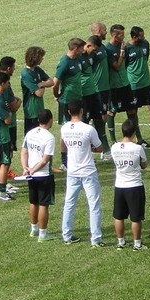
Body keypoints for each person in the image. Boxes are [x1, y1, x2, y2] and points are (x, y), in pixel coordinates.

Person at [59, 100, 104, 246]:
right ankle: (96, 238)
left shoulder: (64, 128)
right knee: (94, 205)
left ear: (68, 112)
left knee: (69, 204)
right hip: (88, 171)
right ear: (82, 111)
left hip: (72, 171)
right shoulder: (88, 129)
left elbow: (63, 146)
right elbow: (99, 148)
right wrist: (89, 148)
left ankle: (66, 235)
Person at [106, 24, 150, 148]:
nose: (123, 36)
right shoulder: (108, 49)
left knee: (132, 110)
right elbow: (116, 66)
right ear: (114, 35)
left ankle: (139, 139)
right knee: (112, 112)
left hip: (126, 84)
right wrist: (121, 52)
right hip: (114, 86)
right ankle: (113, 141)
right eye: (121, 34)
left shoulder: (123, 46)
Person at [111, 119, 148, 251]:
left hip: (119, 185)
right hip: (134, 185)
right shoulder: (138, 148)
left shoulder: (114, 147)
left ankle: (120, 242)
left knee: (119, 216)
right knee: (136, 217)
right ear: (134, 133)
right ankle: (137, 243)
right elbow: (144, 165)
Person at [20, 109, 56, 242]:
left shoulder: (30, 133)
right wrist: (33, 170)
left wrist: (26, 168)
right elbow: (45, 160)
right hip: (43, 175)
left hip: (30, 174)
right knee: (43, 204)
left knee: (33, 201)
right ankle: (43, 234)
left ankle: (33, 229)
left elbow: (24, 152)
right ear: (50, 120)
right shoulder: (49, 137)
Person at [53, 38, 85, 170]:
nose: (83, 51)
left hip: (78, 99)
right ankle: (64, 161)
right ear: (75, 48)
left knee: (79, 128)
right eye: (81, 48)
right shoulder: (64, 62)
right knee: (66, 132)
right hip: (66, 101)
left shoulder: (77, 60)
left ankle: (77, 157)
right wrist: (57, 96)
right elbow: (55, 84)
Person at [126, 26, 150, 142]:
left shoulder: (145, 44)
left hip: (147, 83)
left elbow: (145, 58)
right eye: (141, 36)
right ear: (134, 37)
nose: (144, 37)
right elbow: (125, 65)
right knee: (133, 113)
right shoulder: (127, 48)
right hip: (134, 85)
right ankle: (138, 138)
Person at [0, 71, 21, 201]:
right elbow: (7, 120)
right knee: (5, 164)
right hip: (2, 137)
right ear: (2, 83)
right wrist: (10, 111)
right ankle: (2, 192)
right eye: (7, 83)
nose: (8, 85)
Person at [79, 35, 111, 158]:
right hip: (84, 95)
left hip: (93, 93)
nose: (95, 52)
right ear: (88, 45)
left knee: (99, 120)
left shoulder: (90, 55)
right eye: (94, 49)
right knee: (84, 123)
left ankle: (105, 149)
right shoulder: (77, 58)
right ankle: (85, 152)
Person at [90, 21, 115, 152]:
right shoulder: (91, 50)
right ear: (99, 31)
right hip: (97, 88)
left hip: (106, 88)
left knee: (103, 117)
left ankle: (95, 143)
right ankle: (102, 147)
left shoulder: (103, 48)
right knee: (100, 118)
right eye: (105, 30)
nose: (106, 32)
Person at [21, 46, 54, 135]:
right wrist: (42, 85)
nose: (42, 59)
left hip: (39, 110)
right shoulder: (26, 73)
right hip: (31, 112)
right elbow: (39, 93)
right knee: (32, 138)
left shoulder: (37, 69)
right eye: (40, 56)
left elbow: (51, 82)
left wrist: (41, 84)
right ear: (35, 57)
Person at [0, 56, 21, 154]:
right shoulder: (5, 85)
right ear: (8, 68)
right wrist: (19, 100)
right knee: (9, 151)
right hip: (9, 123)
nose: (14, 69)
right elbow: (14, 107)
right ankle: (6, 170)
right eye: (13, 67)